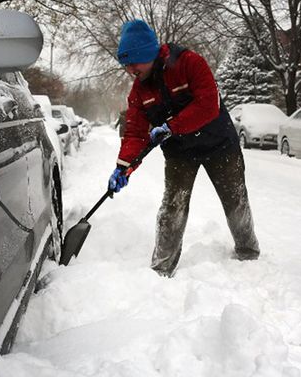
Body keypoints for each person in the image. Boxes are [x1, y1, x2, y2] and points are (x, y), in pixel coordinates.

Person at [108, 19, 260, 277]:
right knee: (172, 206)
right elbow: (135, 133)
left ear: (149, 53)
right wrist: (124, 167)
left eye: (134, 62)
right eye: (126, 63)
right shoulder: (139, 92)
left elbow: (208, 104)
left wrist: (171, 127)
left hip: (219, 143)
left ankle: (248, 253)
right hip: (180, 152)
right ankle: (161, 268)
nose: (130, 68)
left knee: (235, 199)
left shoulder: (190, 63)